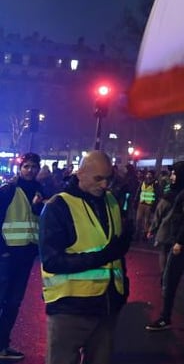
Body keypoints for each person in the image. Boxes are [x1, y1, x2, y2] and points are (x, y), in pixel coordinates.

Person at [39, 151, 130, 364]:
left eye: (109, 178)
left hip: (106, 304)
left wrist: (122, 287)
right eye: (98, 178)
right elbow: (52, 261)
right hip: (69, 308)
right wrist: (103, 256)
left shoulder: (110, 201)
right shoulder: (57, 206)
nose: (105, 184)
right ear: (80, 173)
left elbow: (116, 252)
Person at [145, 161, 184, 330]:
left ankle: (165, 318)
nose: (171, 176)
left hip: (182, 243)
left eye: (174, 174)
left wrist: (180, 241)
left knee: (170, 280)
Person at [0, 153, 46, 360]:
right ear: (20, 168)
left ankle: (2, 345)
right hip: (7, 256)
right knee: (2, 300)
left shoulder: (40, 191)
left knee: (13, 302)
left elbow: (37, 222)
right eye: (26, 166)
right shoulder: (8, 191)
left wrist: (38, 206)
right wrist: (3, 250)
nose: (30, 170)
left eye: (34, 167)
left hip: (26, 256)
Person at [134, 169, 159, 242]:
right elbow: (138, 192)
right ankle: (137, 234)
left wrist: (154, 205)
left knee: (146, 221)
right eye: (147, 174)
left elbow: (157, 195)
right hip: (141, 203)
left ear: (153, 176)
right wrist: (135, 201)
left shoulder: (155, 184)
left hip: (149, 204)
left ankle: (144, 235)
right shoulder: (143, 182)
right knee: (138, 220)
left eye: (150, 174)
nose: (148, 175)